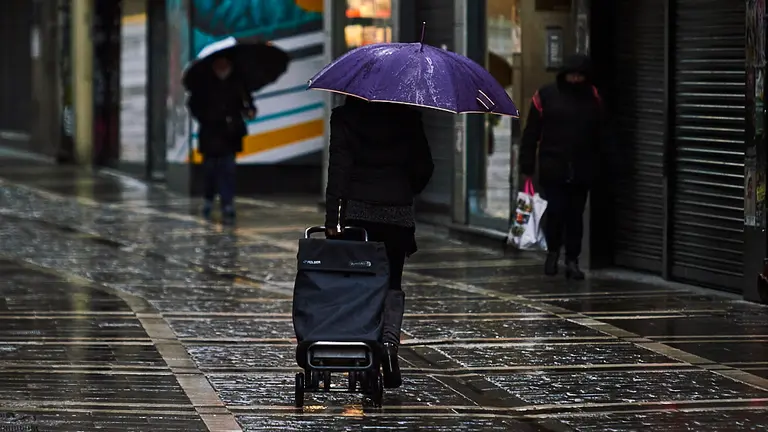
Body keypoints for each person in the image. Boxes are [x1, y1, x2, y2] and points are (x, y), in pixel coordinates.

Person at [324, 96, 434, 389]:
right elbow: (424, 166)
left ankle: (362, 344)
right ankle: (388, 344)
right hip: (396, 213)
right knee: (392, 282)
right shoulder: (408, 117)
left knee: (359, 280)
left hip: (356, 214)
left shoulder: (344, 117)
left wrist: (333, 219)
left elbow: (339, 170)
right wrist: (404, 188)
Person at [520, 53, 612, 280]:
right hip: (554, 166)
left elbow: (603, 133)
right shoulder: (545, 96)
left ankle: (572, 259)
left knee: (575, 216)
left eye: (580, 75)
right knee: (556, 212)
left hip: (582, 166)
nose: (575, 80)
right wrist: (527, 164)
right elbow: (531, 133)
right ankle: (553, 252)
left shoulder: (593, 97)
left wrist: (607, 162)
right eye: (572, 75)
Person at [187, 55, 256, 224]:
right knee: (210, 169)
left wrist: (248, 112)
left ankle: (227, 202)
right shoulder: (203, 84)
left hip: (230, 134)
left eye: (226, 63)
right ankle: (209, 198)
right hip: (210, 133)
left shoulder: (238, 83)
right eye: (219, 64)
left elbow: (248, 104)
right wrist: (208, 117)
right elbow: (193, 105)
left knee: (228, 169)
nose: (223, 66)